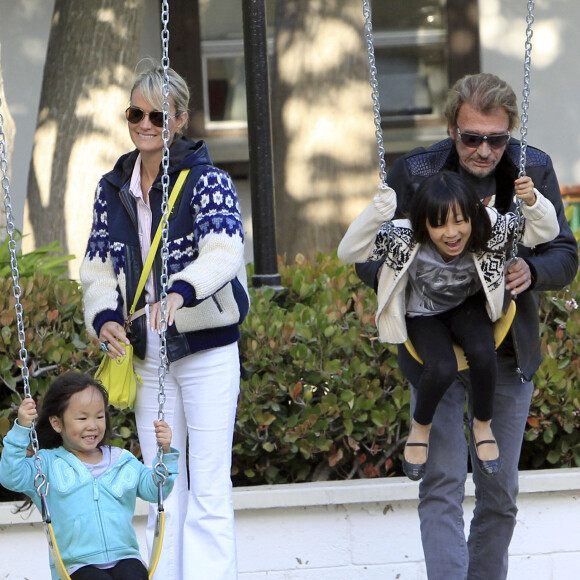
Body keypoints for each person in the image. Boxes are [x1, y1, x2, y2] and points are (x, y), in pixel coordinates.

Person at [355, 73, 578, 579]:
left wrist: (533, 270)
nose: (483, 150)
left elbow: (564, 252)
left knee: (499, 495)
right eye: (471, 137)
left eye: (496, 139)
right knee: (441, 484)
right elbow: (369, 253)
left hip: (505, 350)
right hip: (432, 350)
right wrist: (409, 277)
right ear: (451, 127)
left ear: (511, 132)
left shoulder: (532, 168)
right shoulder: (416, 171)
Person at [80, 59, 249, 579]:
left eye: (159, 115)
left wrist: (180, 291)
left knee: (210, 488)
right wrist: (104, 316)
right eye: (136, 113)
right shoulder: (113, 187)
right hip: (149, 355)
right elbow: (98, 264)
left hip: (206, 351)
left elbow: (225, 251)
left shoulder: (208, 181)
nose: (146, 124)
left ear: (180, 120)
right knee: (163, 489)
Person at [338, 170, 559, 482]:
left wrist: (533, 201)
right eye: (438, 224)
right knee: (440, 367)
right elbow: (348, 251)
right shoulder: (404, 236)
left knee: (484, 354)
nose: (451, 233)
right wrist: (376, 214)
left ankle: (482, 425)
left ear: (472, 215)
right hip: (422, 312)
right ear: (424, 224)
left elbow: (545, 232)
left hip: (466, 305)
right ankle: (420, 427)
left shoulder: (490, 226)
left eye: (460, 221)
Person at [0, 372, 178, 580]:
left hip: (125, 556)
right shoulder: (46, 464)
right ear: (57, 424)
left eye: (99, 416)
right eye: (82, 418)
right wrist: (21, 429)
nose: (92, 425)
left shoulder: (122, 461)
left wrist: (165, 452)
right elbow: (11, 476)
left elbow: (156, 488)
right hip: (76, 566)